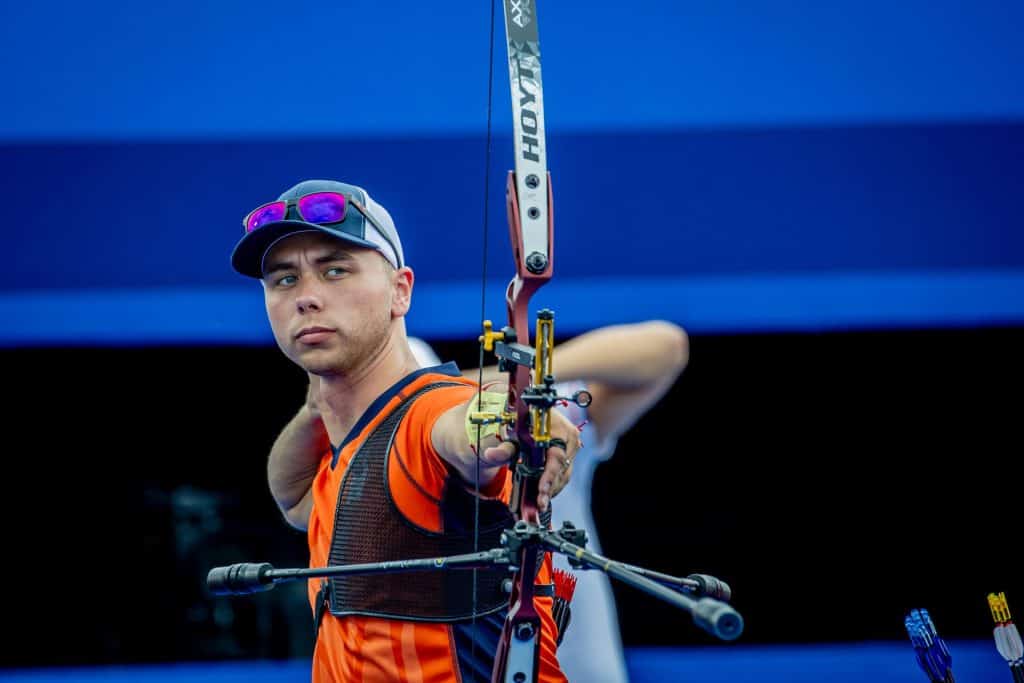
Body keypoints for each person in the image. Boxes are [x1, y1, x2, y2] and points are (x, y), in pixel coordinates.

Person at [230, 178, 582, 683]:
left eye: (335, 270)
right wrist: (317, 411)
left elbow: (466, 430)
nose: (306, 297)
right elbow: (293, 499)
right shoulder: (344, 451)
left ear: (401, 291)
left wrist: (517, 424)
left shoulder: (426, 417)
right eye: (284, 280)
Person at [288, 324, 688, 682]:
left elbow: (665, 347)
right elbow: (294, 495)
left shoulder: (532, 417)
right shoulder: (368, 470)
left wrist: (508, 389)